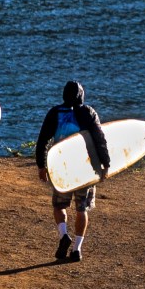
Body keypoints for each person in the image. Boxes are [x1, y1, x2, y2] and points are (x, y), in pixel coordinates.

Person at [35, 80, 111, 263]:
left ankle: (63, 235)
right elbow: (100, 139)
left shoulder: (55, 112)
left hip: (62, 168)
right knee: (81, 209)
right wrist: (106, 163)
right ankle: (77, 249)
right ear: (81, 95)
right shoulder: (88, 113)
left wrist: (41, 166)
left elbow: (43, 140)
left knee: (59, 206)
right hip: (85, 169)